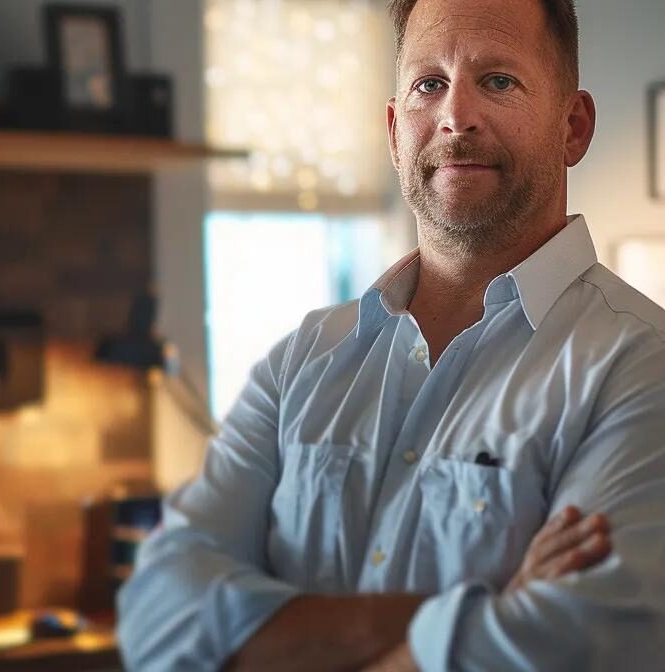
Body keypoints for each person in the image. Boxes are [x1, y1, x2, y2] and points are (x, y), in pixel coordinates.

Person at [116, 0, 665, 669]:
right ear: (393, 131)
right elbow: (158, 619)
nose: (455, 117)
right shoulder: (300, 363)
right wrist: (480, 615)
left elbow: (579, 645)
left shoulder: (640, 365)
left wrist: (259, 643)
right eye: (428, 85)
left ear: (572, 127)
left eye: (498, 81)